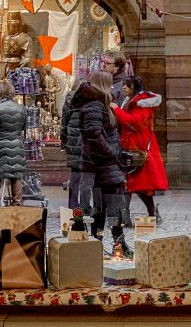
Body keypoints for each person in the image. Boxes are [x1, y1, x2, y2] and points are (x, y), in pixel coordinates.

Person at [73, 71, 129, 255]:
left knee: (104, 208)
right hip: (103, 165)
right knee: (112, 207)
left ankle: (104, 243)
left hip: (101, 165)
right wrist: (111, 152)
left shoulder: (96, 104)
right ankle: (116, 244)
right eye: (110, 83)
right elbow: (93, 134)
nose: (113, 87)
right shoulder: (95, 105)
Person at [112, 76, 169, 225]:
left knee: (138, 183)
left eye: (127, 85)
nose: (123, 88)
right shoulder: (131, 101)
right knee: (131, 182)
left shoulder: (141, 104)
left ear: (134, 88)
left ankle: (150, 213)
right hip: (130, 145)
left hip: (138, 147)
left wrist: (117, 110)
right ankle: (128, 214)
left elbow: (134, 122)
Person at [0, 81, 27, 206]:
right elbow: (24, 127)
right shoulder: (21, 109)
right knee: (16, 176)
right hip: (17, 147)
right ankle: (17, 205)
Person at [61, 77, 94, 215]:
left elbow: (64, 121)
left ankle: (73, 205)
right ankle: (85, 205)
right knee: (87, 176)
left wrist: (64, 141)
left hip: (73, 140)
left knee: (75, 175)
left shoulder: (70, 98)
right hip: (88, 141)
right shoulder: (92, 98)